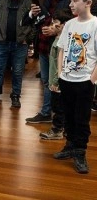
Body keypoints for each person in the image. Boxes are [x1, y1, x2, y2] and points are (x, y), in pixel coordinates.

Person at [53, 0, 97, 174]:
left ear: (88, 3)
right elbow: (62, 48)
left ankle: (80, 151)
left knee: (81, 118)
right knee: (68, 115)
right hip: (67, 79)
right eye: (70, 0)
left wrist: (92, 79)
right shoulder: (70, 24)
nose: (71, 4)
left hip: (85, 81)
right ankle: (70, 146)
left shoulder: (95, 24)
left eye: (75, 1)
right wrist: (61, 72)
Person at [25, 0, 71, 123]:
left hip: (60, 49)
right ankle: (46, 113)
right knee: (46, 82)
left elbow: (74, 22)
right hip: (44, 47)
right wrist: (36, 15)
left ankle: (62, 118)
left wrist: (56, 30)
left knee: (59, 83)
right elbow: (45, 18)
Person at [38, 9, 74, 140]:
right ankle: (63, 129)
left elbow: (61, 64)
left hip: (58, 81)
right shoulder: (57, 39)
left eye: (56, 23)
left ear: (64, 24)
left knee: (58, 107)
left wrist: (55, 82)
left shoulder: (64, 42)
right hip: (55, 79)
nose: (52, 25)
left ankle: (57, 130)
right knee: (58, 106)